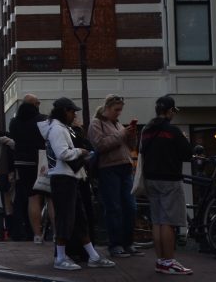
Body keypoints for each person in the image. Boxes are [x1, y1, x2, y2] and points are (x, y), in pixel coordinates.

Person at [45, 97, 115, 271]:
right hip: (63, 179)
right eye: (72, 111)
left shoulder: (59, 128)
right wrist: (81, 151)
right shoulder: (57, 129)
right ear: (64, 111)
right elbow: (62, 153)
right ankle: (60, 258)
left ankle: (92, 255)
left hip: (68, 178)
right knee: (66, 219)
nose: (74, 114)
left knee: (78, 219)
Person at [0, 93, 45, 241]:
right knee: (31, 200)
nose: (39, 105)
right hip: (28, 168)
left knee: (25, 200)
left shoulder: (14, 124)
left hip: (19, 169)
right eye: (37, 103)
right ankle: (30, 232)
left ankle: (32, 233)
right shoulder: (40, 121)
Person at [141, 95, 194, 275]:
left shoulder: (147, 130)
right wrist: (184, 139)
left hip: (150, 179)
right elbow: (188, 154)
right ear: (170, 111)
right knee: (169, 222)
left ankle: (160, 261)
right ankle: (169, 261)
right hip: (169, 179)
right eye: (173, 111)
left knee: (157, 220)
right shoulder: (173, 131)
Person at [88, 94, 142, 259]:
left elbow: (131, 146)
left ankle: (128, 243)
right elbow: (100, 145)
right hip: (108, 168)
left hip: (125, 167)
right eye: (116, 110)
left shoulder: (117, 124)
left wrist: (131, 134)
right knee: (114, 208)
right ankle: (115, 244)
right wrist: (122, 134)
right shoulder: (96, 124)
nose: (119, 113)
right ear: (107, 108)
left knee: (130, 207)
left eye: (120, 110)